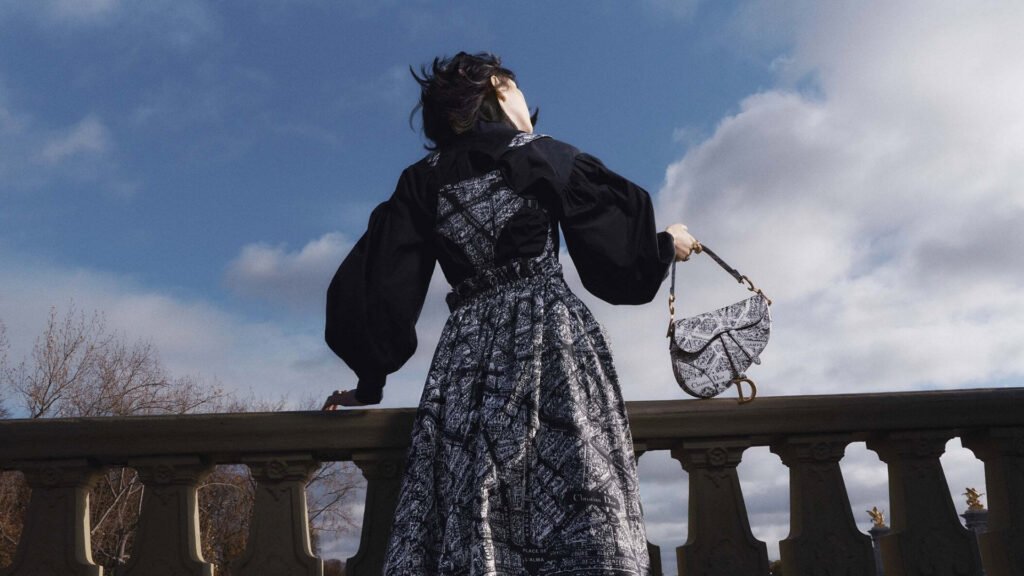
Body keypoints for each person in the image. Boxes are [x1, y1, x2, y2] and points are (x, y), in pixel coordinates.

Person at [323, 52, 698, 575]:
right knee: (582, 506)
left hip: (466, 361)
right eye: (518, 90)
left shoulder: (421, 181)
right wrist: (666, 244)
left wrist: (368, 382)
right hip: (553, 347)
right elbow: (618, 268)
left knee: (469, 509)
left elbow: (383, 287)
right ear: (499, 87)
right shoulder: (546, 156)